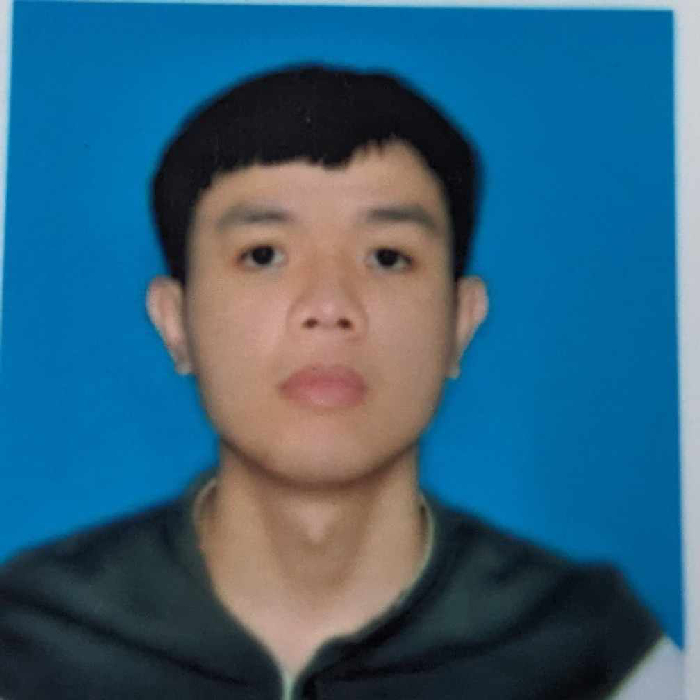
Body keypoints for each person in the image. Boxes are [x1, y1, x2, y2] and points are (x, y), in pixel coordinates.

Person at [0, 65, 682, 699]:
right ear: (176, 323)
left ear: (461, 323)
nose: (328, 306)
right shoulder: (28, 640)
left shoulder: (594, 653)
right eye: (263, 255)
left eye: (387, 257)